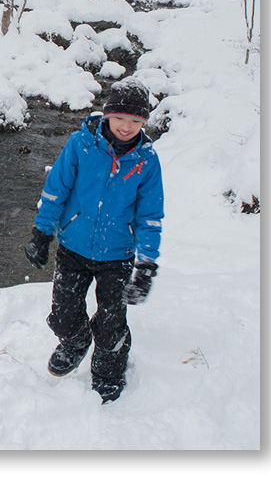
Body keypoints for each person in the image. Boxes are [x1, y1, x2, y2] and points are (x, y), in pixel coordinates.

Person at [24, 77, 164, 403]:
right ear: (106, 115)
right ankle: (75, 341)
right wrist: (42, 233)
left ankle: (107, 372)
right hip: (73, 247)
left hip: (118, 255)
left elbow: (150, 217)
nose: (126, 127)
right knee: (63, 314)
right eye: (120, 119)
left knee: (112, 323)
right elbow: (55, 191)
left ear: (143, 122)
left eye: (135, 121)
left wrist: (146, 264)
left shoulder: (146, 160)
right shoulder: (81, 145)